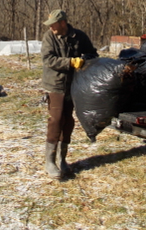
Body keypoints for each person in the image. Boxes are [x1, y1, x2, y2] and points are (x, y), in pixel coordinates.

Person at [41, 9, 98, 179]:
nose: (51, 27)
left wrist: (85, 60)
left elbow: (93, 53)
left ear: (63, 23)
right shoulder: (49, 37)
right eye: (49, 25)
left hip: (73, 85)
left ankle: (62, 159)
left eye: (54, 24)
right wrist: (70, 62)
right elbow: (48, 59)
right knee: (56, 119)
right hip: (55, 84)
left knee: (68, 121)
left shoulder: (79, 36)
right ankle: (49, 161)